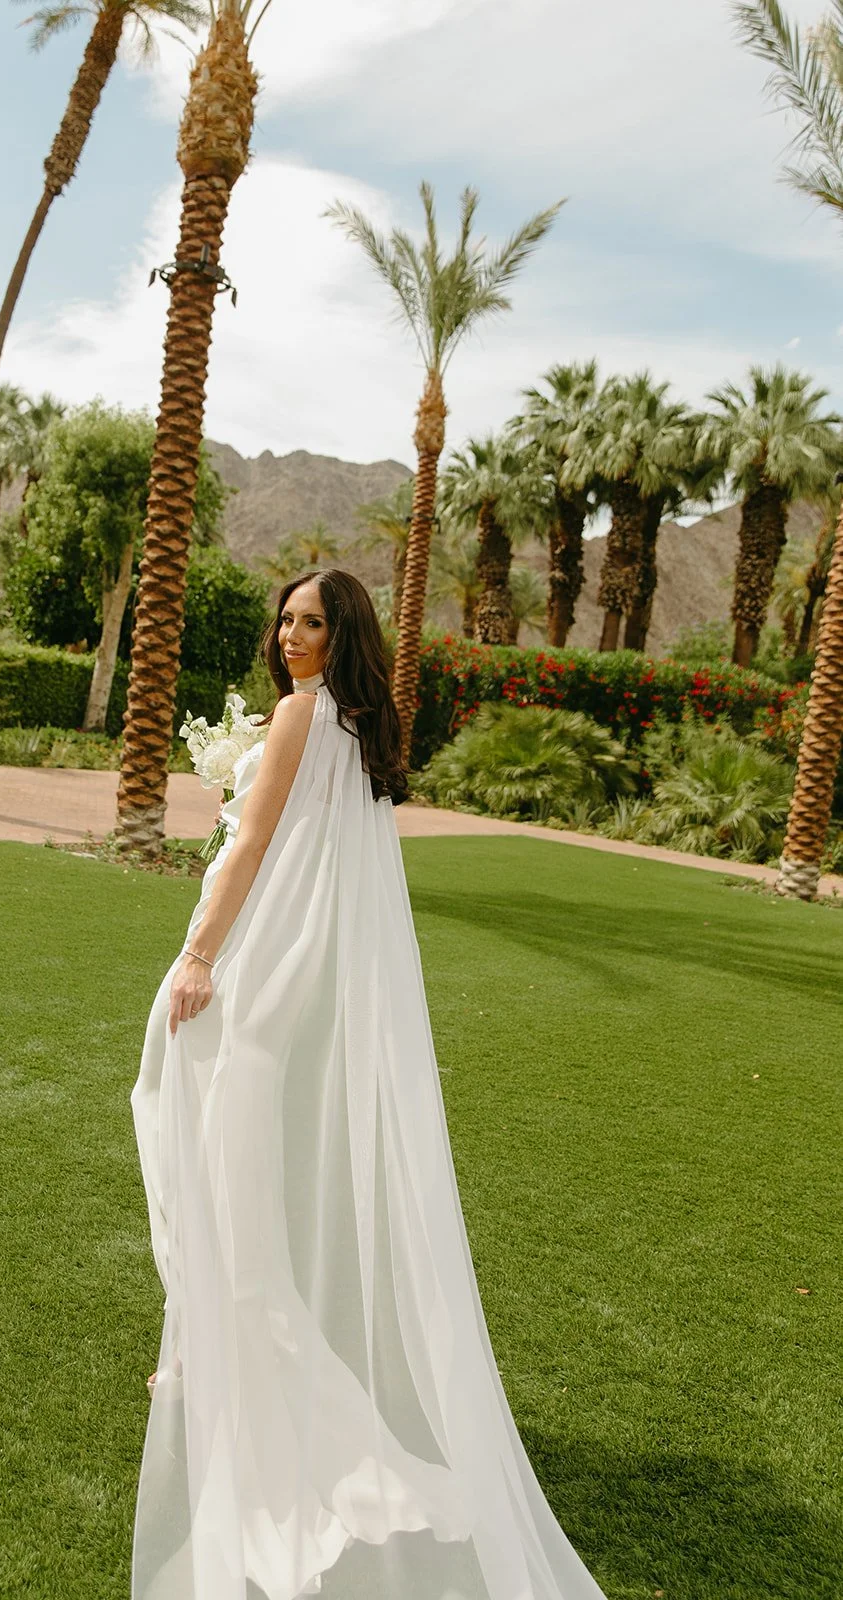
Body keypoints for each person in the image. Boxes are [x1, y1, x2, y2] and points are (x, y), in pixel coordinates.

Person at [129, 569, 609, 1600]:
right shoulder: (353, 734)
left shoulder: (304, 715)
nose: (290, 633)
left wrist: (200, 953)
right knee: (225, 1206)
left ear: (340, 635)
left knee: (233, 1222)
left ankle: (298, 1430)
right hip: (275, 994)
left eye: (312, 621)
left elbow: (251, 843)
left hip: (248, 993)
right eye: (286, 617)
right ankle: (207, 1359)